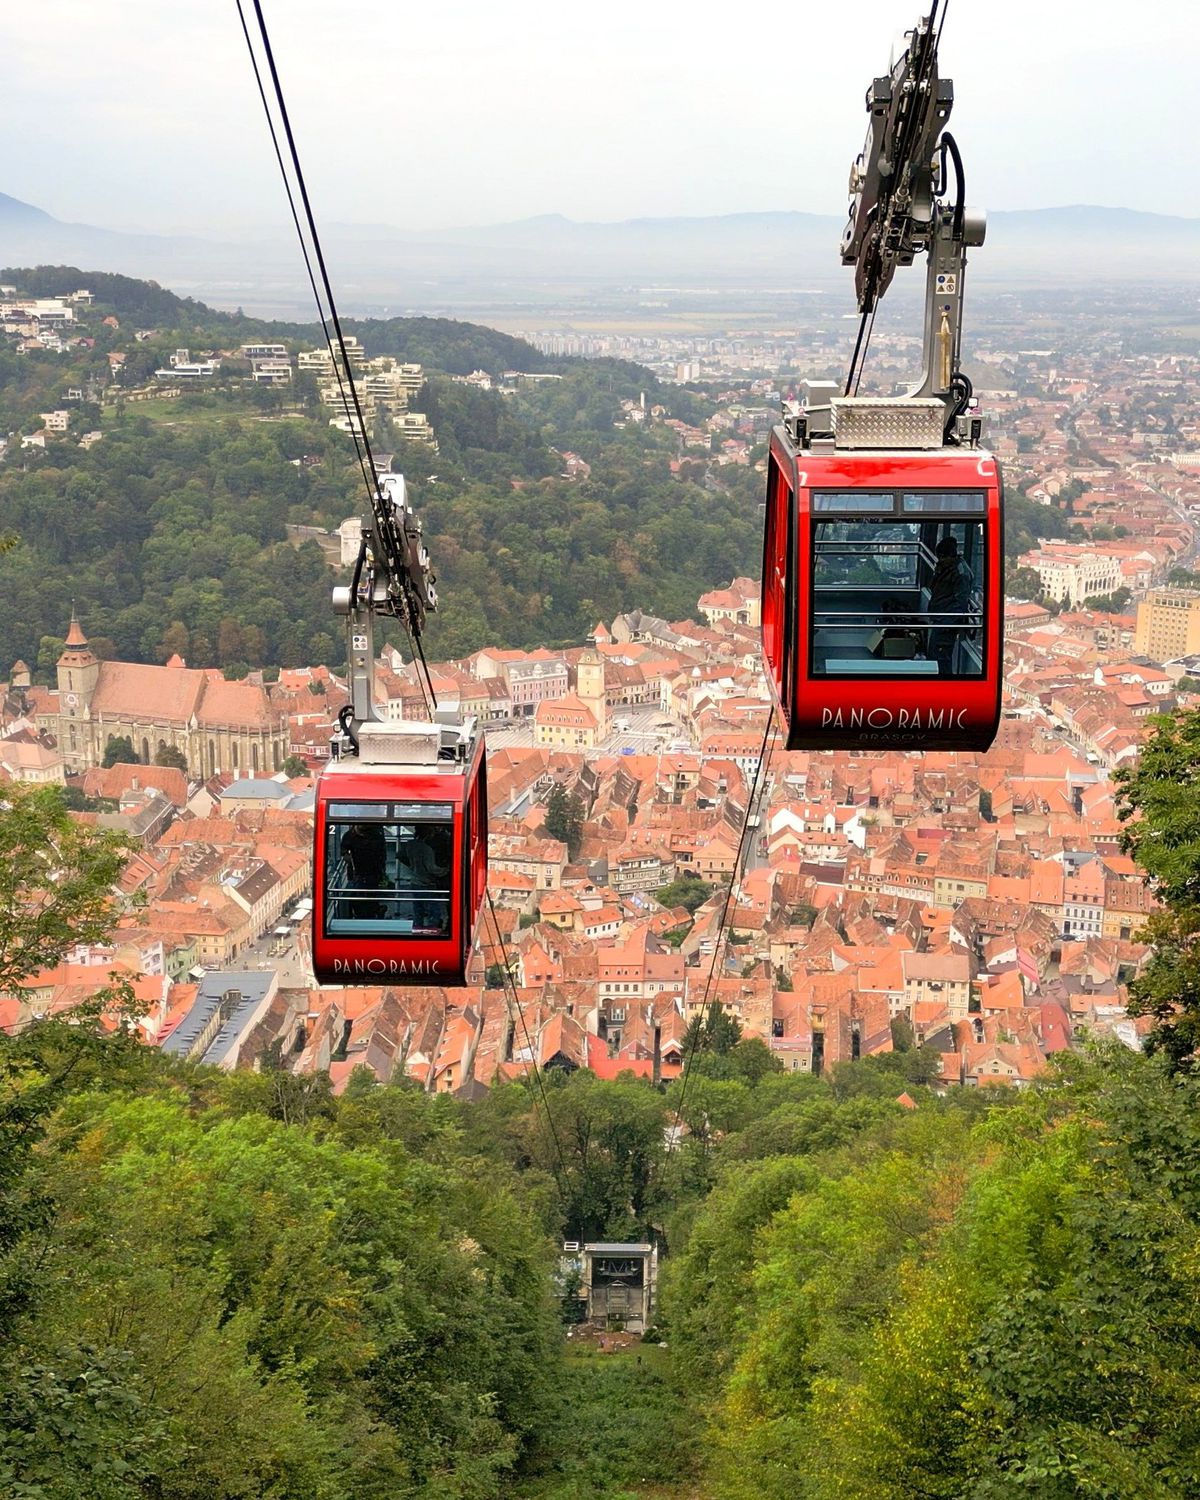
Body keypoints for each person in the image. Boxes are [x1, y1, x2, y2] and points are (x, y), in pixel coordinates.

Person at [927, 535, 975, 676]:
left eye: (941, 557)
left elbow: (960, 602)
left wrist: (947, 624)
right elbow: (934, 586)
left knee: (942, 658)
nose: (939, 560)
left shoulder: (961, 574)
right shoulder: (946, 568)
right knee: (935, 655)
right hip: (940, 618)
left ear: (949, 556)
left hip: (946, 622)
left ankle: (942, 687)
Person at [339, 822, 389, 919]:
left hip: (373, 872)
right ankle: (369, 914)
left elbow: (382, 854)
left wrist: (382, 871)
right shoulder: (349, 836)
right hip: (356, 873)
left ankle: (373, 913)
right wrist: (347, 857)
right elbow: (343, 851)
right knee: (358, 898)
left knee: (370, 896)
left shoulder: (376, 834)